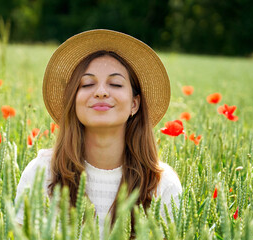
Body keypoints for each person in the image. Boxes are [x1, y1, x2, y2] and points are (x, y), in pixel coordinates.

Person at [15, 29, 182, 238]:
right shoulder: (42, 174)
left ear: (134, 104)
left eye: (115, 84)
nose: (101, 91)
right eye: (87, 84)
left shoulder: (161, 185)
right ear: (73, 101)